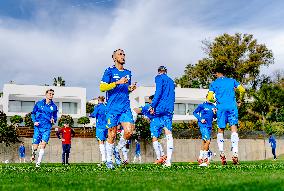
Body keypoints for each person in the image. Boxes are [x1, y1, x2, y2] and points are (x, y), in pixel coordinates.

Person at [100, 49, 137, 169]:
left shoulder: (128, 72)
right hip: (112, 108)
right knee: (112, 134)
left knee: (129, 131)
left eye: (124, 54)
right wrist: (117, 82)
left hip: (125, 107)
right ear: (114, 58)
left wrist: (131, 88)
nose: (123, 56)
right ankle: (109, 161)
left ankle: (117, 149)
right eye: (120, 54)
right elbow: (102, 87)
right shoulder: (109, 71)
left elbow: (125, 89)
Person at [207, 66, 245, 165]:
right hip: (232, 107)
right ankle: (235, 153)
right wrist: (240, 100)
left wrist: (216, 101)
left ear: (217, 73)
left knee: (220, 130)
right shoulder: (232, 81)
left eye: (215, 73)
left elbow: (209, 98)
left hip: (221, 108)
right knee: (234, 129)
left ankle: (221, 153)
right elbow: (242, 90)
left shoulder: (214, 84)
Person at [149, 66, 175, 167]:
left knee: (154, 133)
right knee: (168, 133)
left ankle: (159, 157)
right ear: (166, 72)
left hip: (160, 108)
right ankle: (168, 161)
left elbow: (158, 92)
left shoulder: (159, 78)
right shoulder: (171, 81)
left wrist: (153, 105)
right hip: (169, 108)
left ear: (159, 72)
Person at [134, 95, 165, 164]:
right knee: (157, 139)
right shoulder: (160, 106)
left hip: (154, 123)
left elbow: (137, 110)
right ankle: (162, 156)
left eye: (149, 100)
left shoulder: (148, 106)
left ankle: (159, 158)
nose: (148, 102)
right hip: (161, 121)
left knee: (154, 139)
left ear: (151, 100)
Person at [31, 89, 58, 167]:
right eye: (50, 93)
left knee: (43, 145)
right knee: (35, 147)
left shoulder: (54, 107)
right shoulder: (38, 104)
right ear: (46, 94)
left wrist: (54, 120)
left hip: (47, 128)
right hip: (38, 127)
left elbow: (55, 117)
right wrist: (34, 121)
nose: (51, 95)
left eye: (52, 94)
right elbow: (33, 113)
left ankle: (38, 163)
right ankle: (33, 154)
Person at [193, 99, 217, 166]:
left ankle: (200, 158)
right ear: (206, 98)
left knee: (204, 141)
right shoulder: (202, 105)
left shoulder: (213, 106)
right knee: (208, 141)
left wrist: (215, 113)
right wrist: (200, 119)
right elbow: (194, 112)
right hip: (203, 125)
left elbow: (214, 117)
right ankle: (205, 159)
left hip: (209, 126)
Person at [90, 96, 108, 164]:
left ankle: (104, 159)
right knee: (106, 142)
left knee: (101, 142)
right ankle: (108, 158)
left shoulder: (98, 107)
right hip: (107, 126)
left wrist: (90, 114)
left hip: (100, 126)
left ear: (98, 100)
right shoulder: (106, 106)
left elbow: (94, 114)